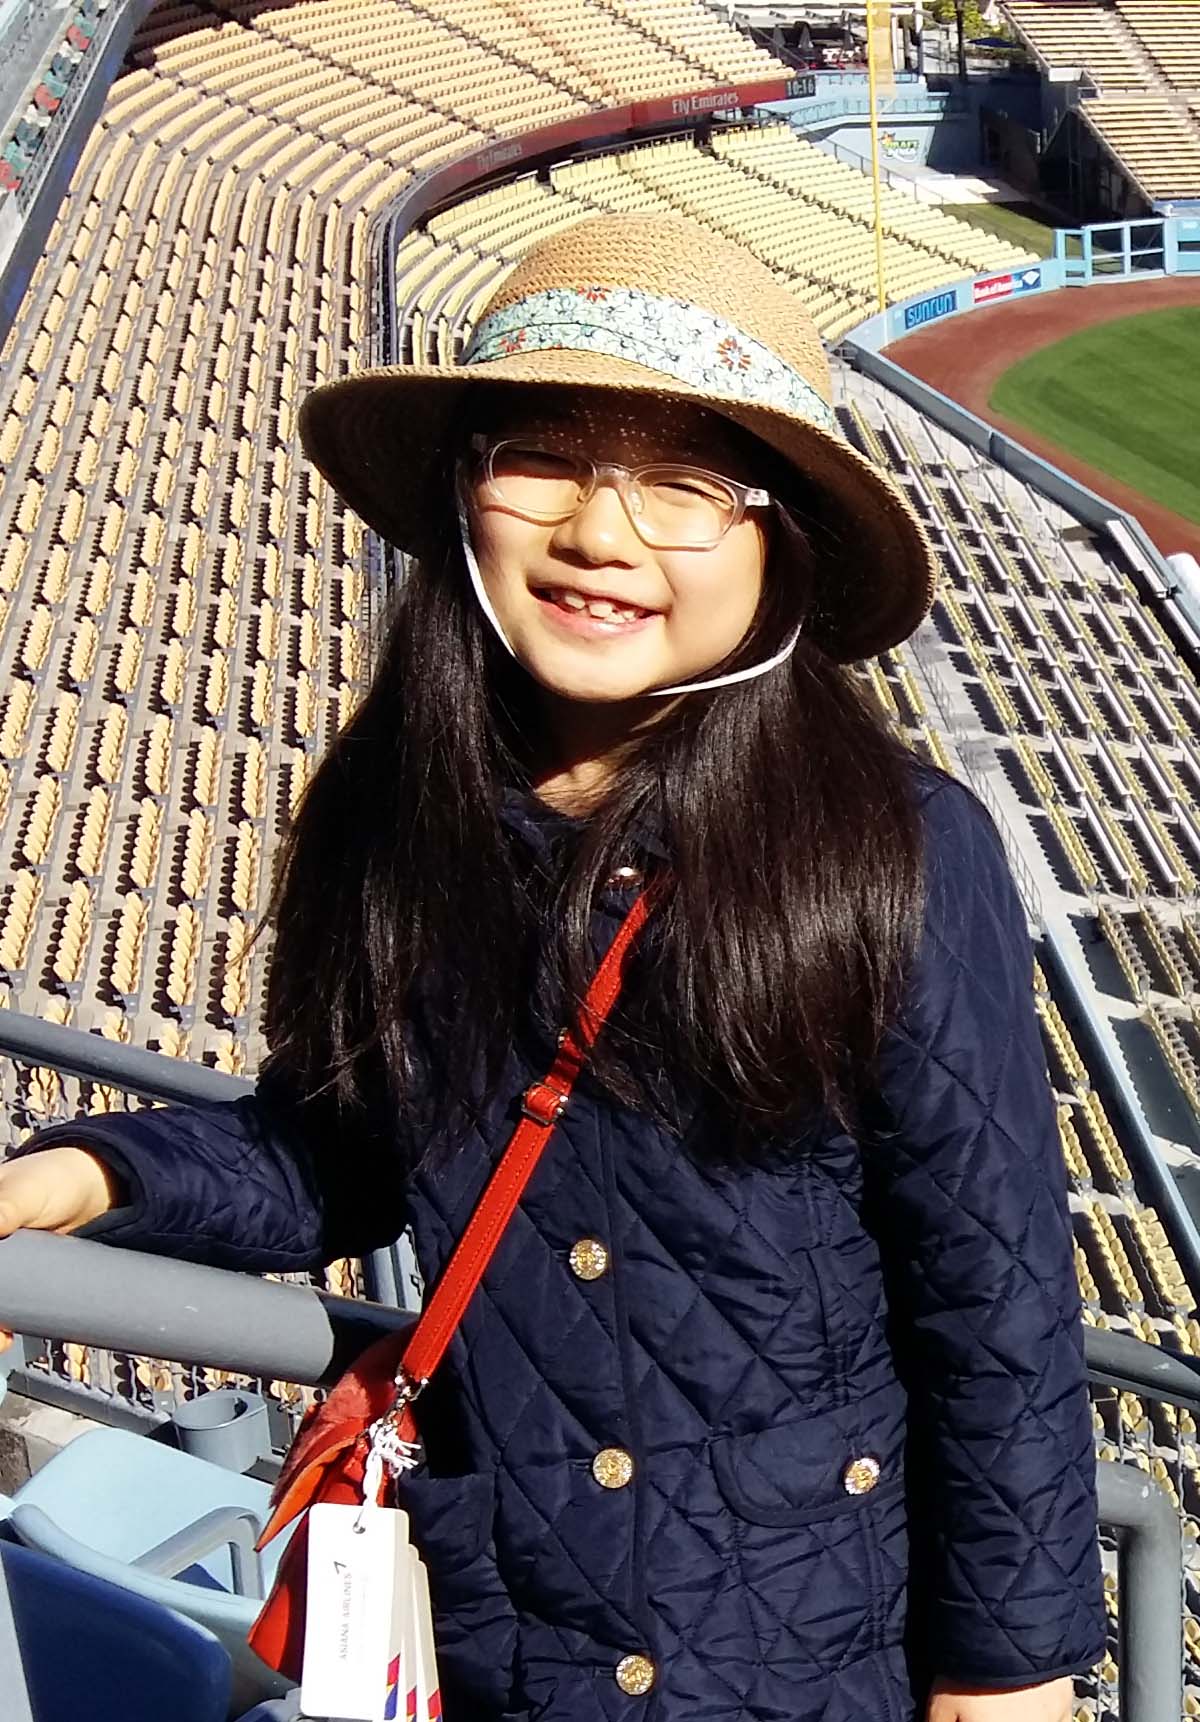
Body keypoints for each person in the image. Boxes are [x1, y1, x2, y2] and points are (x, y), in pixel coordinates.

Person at [0, 215, 1105, 1722]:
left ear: (777, 545)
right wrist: (86, 1174)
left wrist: (1010, 1667)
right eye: (544, 460)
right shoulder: (397, 817)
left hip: (805, 1654)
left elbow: (996, 1296)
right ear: (468, 493)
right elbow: (347, 1146)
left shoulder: (898, 847)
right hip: (515, 1637)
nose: (600, 532)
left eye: (685, 485)